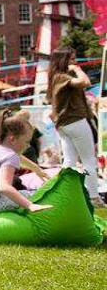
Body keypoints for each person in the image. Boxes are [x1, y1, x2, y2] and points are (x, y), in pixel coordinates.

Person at [46, 47, 102, 206]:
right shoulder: (62, 77)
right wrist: (78, 69)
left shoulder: (56, 77)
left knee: (69, 161)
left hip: (65, 125)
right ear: (63, 60)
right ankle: (94, 197)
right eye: (71, 59)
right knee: (89, 159)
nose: (74, 62)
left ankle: (64, 195)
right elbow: (86, 82)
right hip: (75, 121)